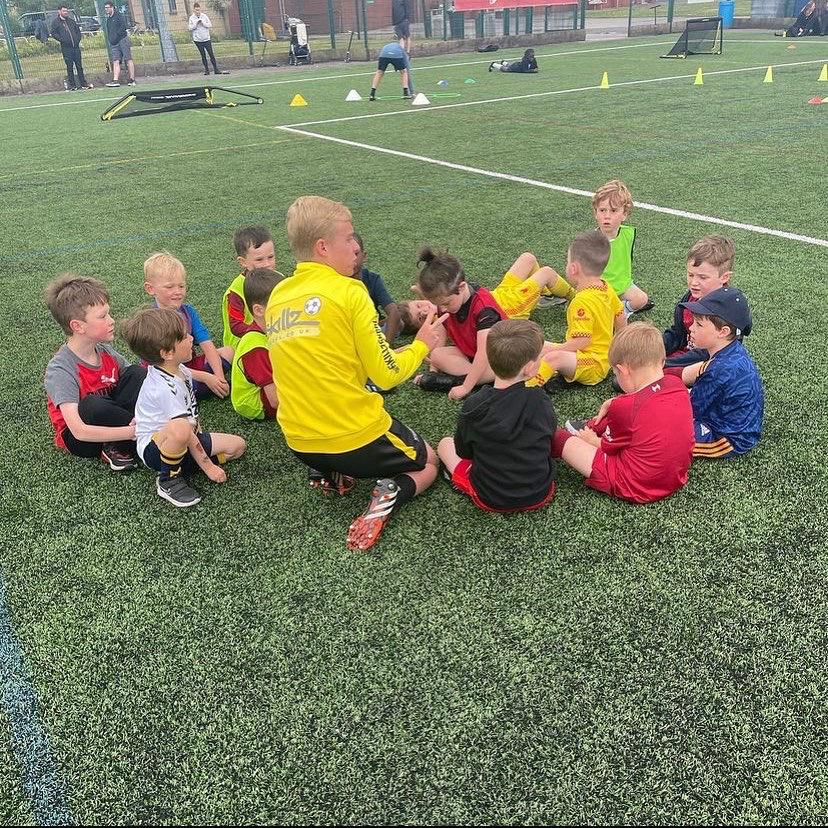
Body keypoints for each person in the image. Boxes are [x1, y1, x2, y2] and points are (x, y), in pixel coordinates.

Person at [265, 195, 448, 551]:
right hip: (355, 439)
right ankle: (387, 494)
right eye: (348, 239)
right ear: (322, 247)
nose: (355, 247)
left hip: (298, 441)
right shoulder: (350, 291)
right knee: (429, 461)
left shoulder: (279, 295)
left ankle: (327, 472)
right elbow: (386, 374)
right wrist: (422, 344)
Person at [553, 322, 694, 504]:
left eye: (615, 374)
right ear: (662, 361)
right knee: (625, 421)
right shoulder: (678, 385)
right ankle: (590, 427)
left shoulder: (627, 407)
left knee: (558, 438)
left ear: (622, 370)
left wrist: (591, 441)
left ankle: (535, 458)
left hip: (635, 485)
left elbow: (604, 447)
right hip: (675, 477)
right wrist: (614, 403)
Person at [122, 308, 246, 507]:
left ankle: (179, 464)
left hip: (185, 437)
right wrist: (208, 466)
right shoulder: (164, 388)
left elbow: (191, 408)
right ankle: (168, 480)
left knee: (237, 447)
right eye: (184, 337)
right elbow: (184, 430)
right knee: (181, 429)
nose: (191, 339)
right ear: (168, 353)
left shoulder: (175, 368)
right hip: (155, 448)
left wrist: (208, 377)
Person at [413, 249, 574, 398]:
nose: (441, 308)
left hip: (500, 356)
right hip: (475, 355)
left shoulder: (484, 310)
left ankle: (464, 381)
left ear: (462, 287)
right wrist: (434, 371)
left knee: (527, 356)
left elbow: (484, 353)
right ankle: (479, 379)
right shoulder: (448, 301)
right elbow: (441, 334)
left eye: (446, 304)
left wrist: (465, 387)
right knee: (437, 355)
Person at [438, 319, 558, 513]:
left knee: (444, 444)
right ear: (529, 368)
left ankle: (460, 479)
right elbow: (550, 437)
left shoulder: (473, 405)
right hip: (540, 493)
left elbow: (464, 452)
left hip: (490, 498)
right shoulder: (539, 399)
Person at [44, 274, 145, 471]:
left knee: (137, 374)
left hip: (115, 420)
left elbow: (135, 384)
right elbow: (79, 431)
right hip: (81, 439)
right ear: (78, 326)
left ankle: (119, 444)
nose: (112, 320)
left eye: (109, 314)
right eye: (102, 316)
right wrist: (135, 430)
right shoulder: (61, 369)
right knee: (92, 405)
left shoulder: (105, 352)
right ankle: (136, 438)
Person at [674, 287, 763, 459]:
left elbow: (690, 411)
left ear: (723, 332)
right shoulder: (730, 351)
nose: (691, 328)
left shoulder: (720, 370)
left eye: (699, 324)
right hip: (725, 416)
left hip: (727, 437)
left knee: (663, 433)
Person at [535, 230, 626, 387]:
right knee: (537, 346)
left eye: (567, 261)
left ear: (573, 269)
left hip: (593, 363)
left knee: (552, 358)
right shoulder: (605, 287)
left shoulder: (581, 301)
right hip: (598, 358)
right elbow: (620, 316)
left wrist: (556, 351)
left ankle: (527, 389)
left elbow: (582, 341)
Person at [143, 252, 233, 399]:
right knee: (169, 387)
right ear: (150, 289)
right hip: (166, 374)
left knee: (228, 352)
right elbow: (163, 367)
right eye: (169, 287)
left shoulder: (188, 312)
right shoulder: (151, 321)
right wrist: (206, 377)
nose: (177, 292)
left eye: (181, 286)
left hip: (189, 366)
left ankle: (201, 389)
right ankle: (195, 390)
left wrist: (219, 378)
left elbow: (207, 345)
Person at [663, 235, 739, 368]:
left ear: (724, 277)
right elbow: (678, 333)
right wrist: (655, 349)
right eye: (690, 274)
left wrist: (664, 364)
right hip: (683, 355)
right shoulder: (691, 297)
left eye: (703, 277)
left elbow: (707, 353)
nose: (694, 283)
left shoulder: (726, 311)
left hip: (704, 365)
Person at [592, 180, 651, 317]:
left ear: (624, 214)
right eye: (602, 210)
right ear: (596, 213)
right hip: (600, 289)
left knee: (642, 299)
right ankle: (613, 312)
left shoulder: (628, 234)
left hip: (623, 287)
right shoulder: (591, 240)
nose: (607, 216)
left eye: (613, 211)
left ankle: (622, 311)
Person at [231, 268, 283, 421]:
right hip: (256, 403)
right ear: (259, 310)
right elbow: (275, 401)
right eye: (279, 304)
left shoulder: (271, 329)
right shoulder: (256, 348)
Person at [222, 225, 279, 349]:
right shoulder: (236, 291)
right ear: (243, 262)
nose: (267, 264)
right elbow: (236, 326)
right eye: (259, 260)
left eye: (271, 257)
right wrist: (265, 332)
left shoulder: (279, 278)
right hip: (245, 343)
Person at [351, 233, 402, 344]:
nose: (351, 258)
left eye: (356, 253)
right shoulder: (336, 280)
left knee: (398, 324)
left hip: (373, 329)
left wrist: (387, 349)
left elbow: (394, 311)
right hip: (349, 331)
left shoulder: (372, 279)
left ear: (364, 256)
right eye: (345, 253)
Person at [50, 4, 93, 91]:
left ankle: (83, 83)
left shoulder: (71, 21)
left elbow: (78, 32)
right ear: (59, 12)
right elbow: (53, 33)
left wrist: (77, 40)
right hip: (66, 49)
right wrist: (62, 40)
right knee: (69, 66)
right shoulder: (55, 22)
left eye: (66, 11)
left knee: (79, 66)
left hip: (76, 48)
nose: (66, 12)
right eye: (64, 11)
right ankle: (72, 85)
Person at [103, 1, 135, 88]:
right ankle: (115, 80)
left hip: (122, 40)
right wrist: (111, 39)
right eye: (105, 8)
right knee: (116, 60)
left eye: (107, 7)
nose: (106, 9)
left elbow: (123, 27)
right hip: (114, 43)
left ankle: (132, 79)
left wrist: (117, 36)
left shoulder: (119, 16)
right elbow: (109, 31)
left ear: (112, 7)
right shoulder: (108, 19)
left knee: (128, 59)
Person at [188, 3, 224, 76]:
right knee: (203, 55)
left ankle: (216, 69)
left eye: (198, 10)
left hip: (206, 38)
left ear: (200, 9)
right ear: (194, 10)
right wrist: (196, 24)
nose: (197, 11)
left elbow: (209, 25)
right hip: (198, 40)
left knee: (211, 54)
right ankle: (207, 70)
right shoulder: (191, 18)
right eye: (196, 10)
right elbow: (190, 28)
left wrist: (203, 23)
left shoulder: (204, 16)